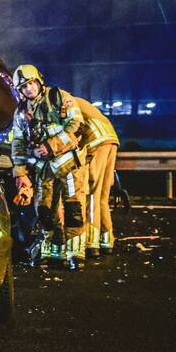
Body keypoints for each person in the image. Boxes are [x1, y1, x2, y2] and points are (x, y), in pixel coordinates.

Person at [10, 65, 88, 270]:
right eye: (24, 86)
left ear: (39, 81)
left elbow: (76, 124)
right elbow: (18, 142)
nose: (28, 89)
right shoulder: (21, 112)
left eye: (31, 83)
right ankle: (54, 250)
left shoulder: (59, 97)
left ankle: (75, 254)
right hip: (43, 169)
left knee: (74, 209)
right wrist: (20, 172)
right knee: (44, 210)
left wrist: (51, 146)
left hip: (69, 164)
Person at [72, 97, 120, 257]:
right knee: (102, 196)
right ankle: (106, 240)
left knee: (90, 192)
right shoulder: (73, 98)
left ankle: (91, 243)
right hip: (109, 138)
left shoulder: (55, 100)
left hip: (95, 140)